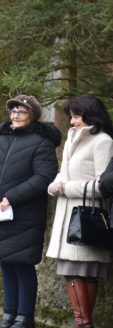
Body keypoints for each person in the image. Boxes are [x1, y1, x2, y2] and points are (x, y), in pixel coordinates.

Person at [0, 95, 60, 328]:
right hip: (0, 212)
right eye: (13, 111)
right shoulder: (2, 138)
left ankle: (24, 317)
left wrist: (11, 197)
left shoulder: (41, 142)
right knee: (5, 262)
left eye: (21, 112)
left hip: (25, 213)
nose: (15, 115)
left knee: (22, 264)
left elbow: (44, 178)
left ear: (33, 115)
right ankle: (8, 315)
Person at [46, 95, 113, 328]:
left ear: (90, 115)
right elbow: (65, 172)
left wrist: (68, 188)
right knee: (72, 271)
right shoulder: (73, 137)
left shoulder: (103, 141)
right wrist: (56, 183)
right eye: (70, 116)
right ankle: (83, 324)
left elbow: (104, 185)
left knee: (85, 272)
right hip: (67, 213)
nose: (71, 122)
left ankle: (83, 324)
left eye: (75, 116)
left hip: (87, 216)